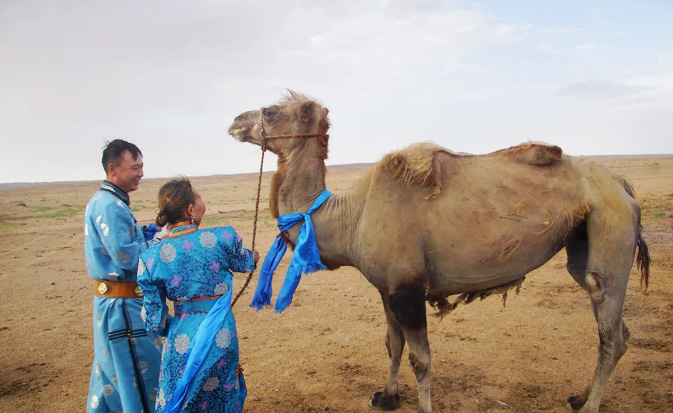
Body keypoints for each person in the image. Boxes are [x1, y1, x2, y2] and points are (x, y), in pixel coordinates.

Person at [137, 177, 258, 412]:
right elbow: (245, 262)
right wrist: (254, 256)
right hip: (220, 333)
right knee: (220, 394)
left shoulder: (150, 258)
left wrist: (177, 326)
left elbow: (154, 321)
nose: (204, 204)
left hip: (180, 338)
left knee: (180, 400)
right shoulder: (222, 239)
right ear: (190, 209)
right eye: (200, 198)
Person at [84, 139, 162, 412]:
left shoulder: (108, 201)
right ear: (113, 169)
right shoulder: (110, 206)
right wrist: (161, 244)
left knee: (113, 377)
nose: (141, 173)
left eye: (142, 167)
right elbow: (127, 258)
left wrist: (147, 233)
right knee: (139, 378)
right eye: (135, 167)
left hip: (113, 306)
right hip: (123, 311)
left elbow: (126, 244)